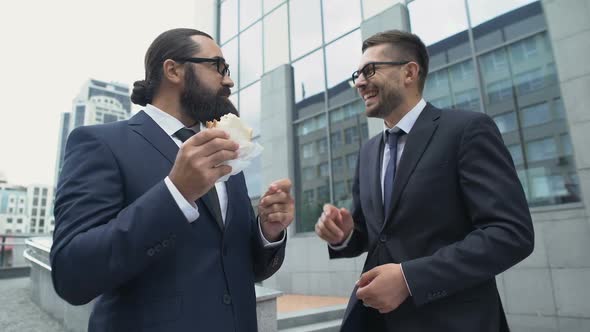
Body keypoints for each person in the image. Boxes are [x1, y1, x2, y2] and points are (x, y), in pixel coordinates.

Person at [51, 28, 294, 332]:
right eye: (218, 66)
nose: (229, 80)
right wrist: (175, 194)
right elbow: (72, 275)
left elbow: (243, 266)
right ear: (173, 70)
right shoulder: (101, 144)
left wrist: (267, 232)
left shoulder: (225, 152)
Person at [315, 30, 534, 332]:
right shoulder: (368, 152)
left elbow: (511, 233)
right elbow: (376, 234)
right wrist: (344, 234)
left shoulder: (467, 130)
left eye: (370, 70)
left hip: (455, 322)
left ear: (409, 72)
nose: (359, 82)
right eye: (357, 74)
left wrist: (409, 278)